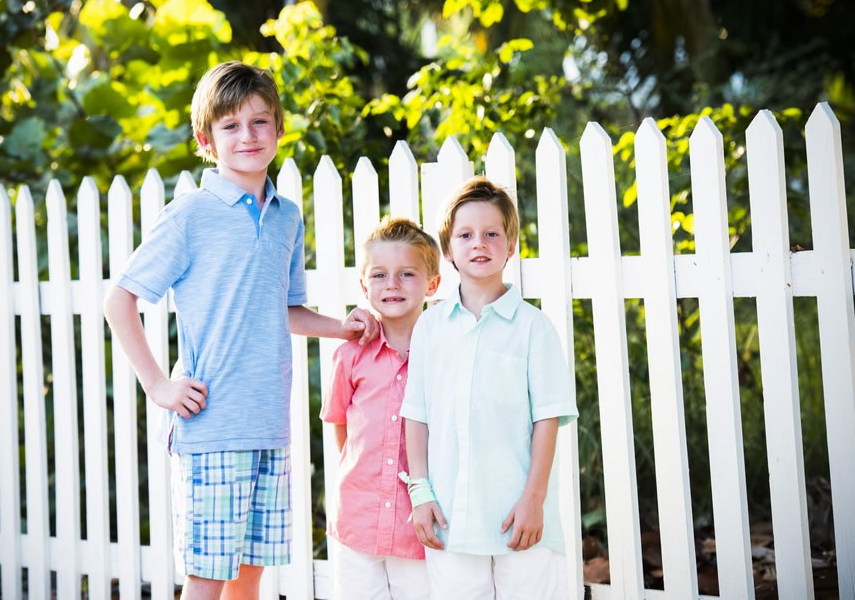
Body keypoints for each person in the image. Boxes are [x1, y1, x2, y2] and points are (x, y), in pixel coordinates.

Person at [103, 61, 378, 600]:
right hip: (213, 427)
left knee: (249, 577)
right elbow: (119, 301)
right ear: (207, 139)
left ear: (278, 129)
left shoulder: (286, 217)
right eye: (230, 126)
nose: (247, 136)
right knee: (207, 579)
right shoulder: (191, 215)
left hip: (269, 424)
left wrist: (340, 330)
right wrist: (159, 386)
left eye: (259, 123)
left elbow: (285, 309)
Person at [400, 177, 578, 599]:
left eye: (492, 233)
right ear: (448, 250)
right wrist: (420, 492)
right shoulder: (429, 327)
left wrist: (533, 500)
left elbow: (547, 420)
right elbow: (417, 414)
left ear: (511, 244)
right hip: (451, 522)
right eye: (465, 235)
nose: (479, 243)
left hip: (520, 518)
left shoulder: (534, 328)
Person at [320, 218, 442, 600]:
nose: (392, 284)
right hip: (358, 518)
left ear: (432, 284)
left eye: (407, 274)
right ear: (363, 286)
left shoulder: (442, 354)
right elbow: (340, 425)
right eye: (379, 275)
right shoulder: (350, 356)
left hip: (418, 526)